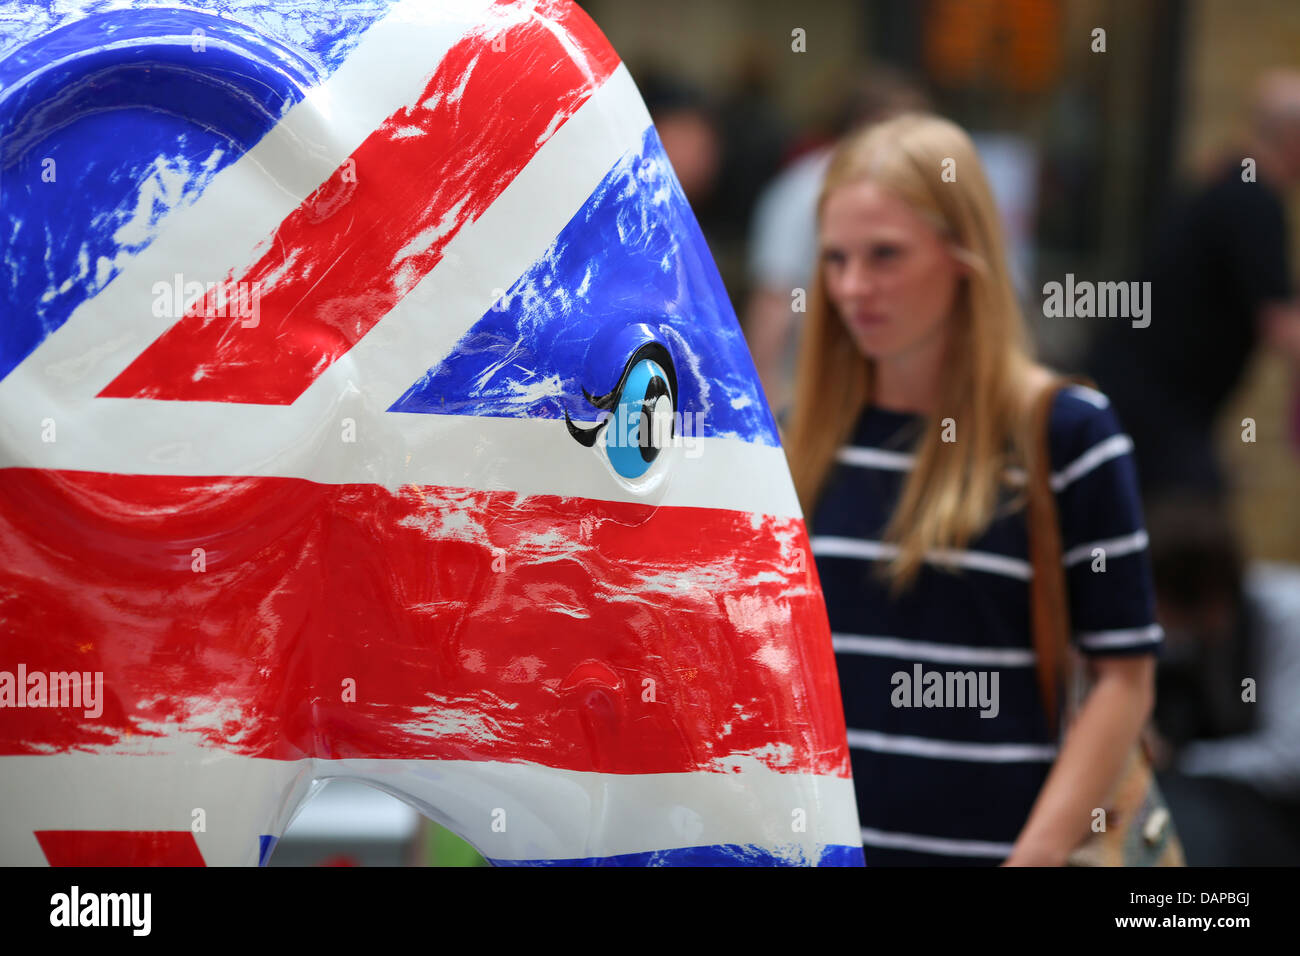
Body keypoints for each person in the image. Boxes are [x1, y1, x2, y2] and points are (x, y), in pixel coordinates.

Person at [786, 113, 1163, 865]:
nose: (854, 287)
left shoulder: (1067, 435)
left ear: (964, 255)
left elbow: (1125, 678)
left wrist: (1033, 860)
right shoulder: (798, 436)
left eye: (885, 256)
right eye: (835, 260)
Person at [1086, 69, 1300, 500]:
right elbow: (1281, 323)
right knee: (1190, 535)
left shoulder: (1224, 179)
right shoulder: (1253, 200)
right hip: (1155, 409)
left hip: (1142, 401)